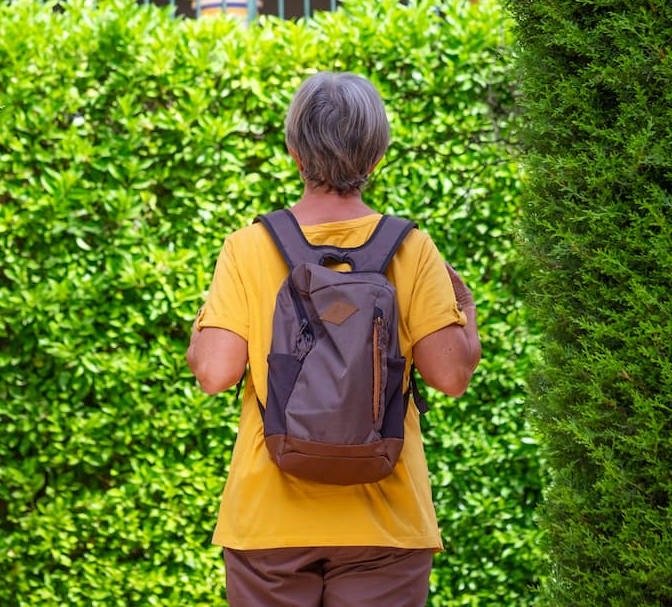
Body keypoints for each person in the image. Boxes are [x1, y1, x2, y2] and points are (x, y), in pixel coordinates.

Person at [186, 70, 482, 607]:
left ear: (295, 153)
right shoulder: (413, 249)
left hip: (268, 523)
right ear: (377, 156)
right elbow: (452, 377)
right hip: (386, 523)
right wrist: (467, 310)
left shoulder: (249, 247)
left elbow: (214, 372)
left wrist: (199, 329)